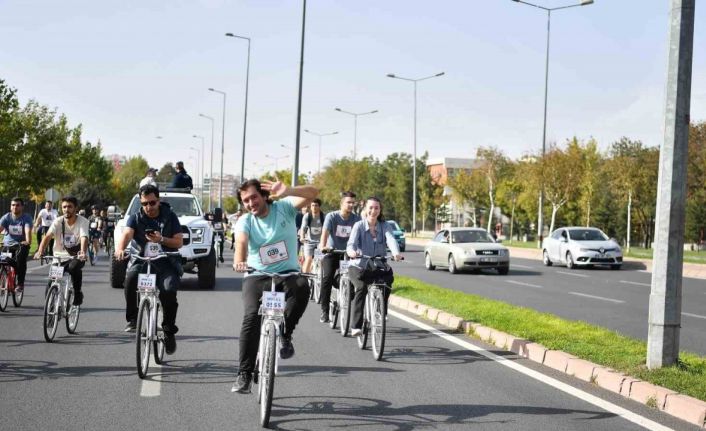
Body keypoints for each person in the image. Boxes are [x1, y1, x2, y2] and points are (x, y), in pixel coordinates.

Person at [232, 179, 318, 393]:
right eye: (245, 201)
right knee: (251, 318)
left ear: (263, 196)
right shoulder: (245, 221)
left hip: (287, 274)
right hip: (257, 275)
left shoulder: (284, 208)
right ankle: (244, 374)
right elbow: (241, 243)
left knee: (302, 287)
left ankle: (285, 334)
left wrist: (288, 190)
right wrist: (239, 260)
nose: (251, 203)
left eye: (253, 197)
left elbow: (313, 193)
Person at [115, 185, 183, 354]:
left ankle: (168, 331)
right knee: (130, 278)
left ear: (159, 201)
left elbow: (179, 242)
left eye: (152, 203)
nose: (148, 207)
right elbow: (127, 235)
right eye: (144, 203)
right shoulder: (135, 218)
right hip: (143, 261)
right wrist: (120, 249)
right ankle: (132, 318)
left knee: (168, 292)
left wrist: (161, 239)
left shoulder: (170, 217)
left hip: (166, 262)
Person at [346, 196, 402, 336]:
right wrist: (352, 252)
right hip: (358, 266)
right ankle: (356, 326)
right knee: (361, 287)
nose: (373, 210)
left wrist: (396, 253)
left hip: (377, 264)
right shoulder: (359, 226)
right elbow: (351, 244)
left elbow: (391, 239)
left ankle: (381, 309)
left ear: (380, 210)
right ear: (365, 209)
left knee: (388, 279)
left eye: (376, 208)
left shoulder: (384, 225)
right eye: (370, 207)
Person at [34, 196, 89, 306]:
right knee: (51, 282)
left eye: (69, 207)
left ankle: (77, 293)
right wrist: (40, 251)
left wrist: (82, 251)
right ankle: (50, 308)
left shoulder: (83, 221)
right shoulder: (58, 221)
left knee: (74, 268)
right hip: (59, 257)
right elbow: (48, 236)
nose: (66, 209)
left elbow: (84, 237)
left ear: (75, 208)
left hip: (76, 256)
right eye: (64, 207)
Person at [318, 191, 360, 323]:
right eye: (348, 202)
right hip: (332, 252)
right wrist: (323, 246)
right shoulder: (332, 216)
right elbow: (324, 234)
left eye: (353, 203)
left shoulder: (357, 219)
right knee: (327, 278)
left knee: (354, 281)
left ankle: (344, 292)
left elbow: (360, 237)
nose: (351, 205)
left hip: (348, 255)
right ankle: (325, 311)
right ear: (342, 203)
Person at [0, 197, 33, 293]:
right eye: (13, 205)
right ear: (10, 207)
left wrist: (27, 240)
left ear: (22, 207)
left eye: (17, 205)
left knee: (21, 259)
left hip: (21, 245)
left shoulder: (26, 218)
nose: (15, 207)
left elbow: (27, 230)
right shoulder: (6, 217)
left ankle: (20, 283)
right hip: (7, 245)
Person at [300, 199, 325, 274]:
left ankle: (320, 277)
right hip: (309, 241)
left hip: (320, 242)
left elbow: (327, 230)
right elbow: (303, 228)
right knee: (308, 259)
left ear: (319, 207)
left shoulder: (323, 216)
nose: (314, 207)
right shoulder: (307, 216)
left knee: (321, 260)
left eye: (316, 205)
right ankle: (306, 279)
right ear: (310, 207)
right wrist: (302, 237)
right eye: (312, 205)